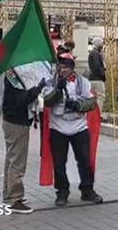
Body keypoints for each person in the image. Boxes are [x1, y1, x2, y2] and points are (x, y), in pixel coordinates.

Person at [43, 53, 103, 206]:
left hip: (78, 126)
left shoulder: (83, 82)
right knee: (59, 162)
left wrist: (77, 106)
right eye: (60, 67)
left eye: (66, 67)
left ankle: (87, 190)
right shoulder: (51, 81)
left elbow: (91, 103)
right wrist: (58, 90)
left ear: (71, 68)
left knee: (84, 159)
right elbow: (47, 101)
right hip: (58, 127)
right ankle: (62, 192)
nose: (62, 70)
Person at [1, 69, 47, 213]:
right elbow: (22, 100)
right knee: (17, 162)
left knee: (11, 159)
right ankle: (14, 198)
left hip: (11, 120)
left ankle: (8, 195)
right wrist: (38, 88)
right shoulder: (14, 80)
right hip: (17, 123)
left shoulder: (11, 75)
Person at [88, 36, 107, 113]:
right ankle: (98, 114)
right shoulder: (96, 54)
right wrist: (102, 75)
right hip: (98, 79)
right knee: (100, 96)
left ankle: (92, 114)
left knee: (93, 97)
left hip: (92, 78)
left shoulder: (92, 53)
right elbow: (97, 67)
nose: (102, 45)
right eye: (101, 43)